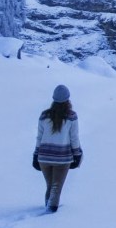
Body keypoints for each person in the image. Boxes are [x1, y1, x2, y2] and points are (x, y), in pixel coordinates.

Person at [32, 84, 83, 212]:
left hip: (43, 158)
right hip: (62, 158)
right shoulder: (71, 117)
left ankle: (47, 209)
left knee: (50, 185)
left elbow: (39, 137)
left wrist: (35, 155)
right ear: (68, 100)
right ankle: (50, 214)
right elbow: (74, 138)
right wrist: (77, 155)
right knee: (56, 187)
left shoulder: (44, 116)